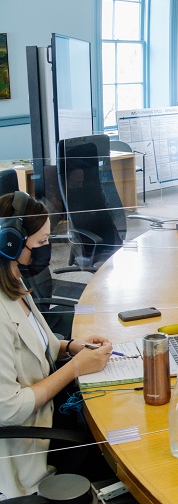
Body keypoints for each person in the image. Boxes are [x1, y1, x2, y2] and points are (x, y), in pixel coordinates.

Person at [0, 192, 113, 498]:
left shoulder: (12, 278)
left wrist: (71, 347)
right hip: (34, 441)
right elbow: (8, 409)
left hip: (53, 410)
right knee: (117, 446)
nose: (46, 250)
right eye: (40, 243)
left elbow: (41, 343)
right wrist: (75, 368)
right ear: (9, 243)